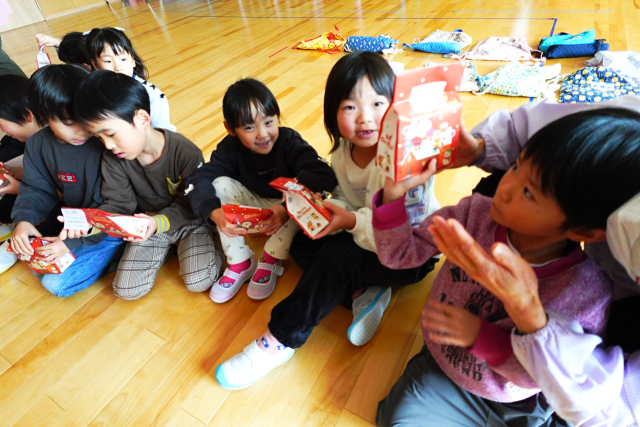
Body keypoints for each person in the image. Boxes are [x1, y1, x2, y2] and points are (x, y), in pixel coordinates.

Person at [371, 109, 640, 426]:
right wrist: (393, 197)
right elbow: (401, 253)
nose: (506, 187)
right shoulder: (473, 215)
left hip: (520, 400)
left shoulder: (587, 294)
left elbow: (547, 374)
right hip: (444, 367)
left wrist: (483, 337)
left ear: (583, 232)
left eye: (528, 192)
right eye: (515, 166)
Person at [214, 51, 440, 390]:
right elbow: (347, 199)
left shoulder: (403, 162)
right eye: (350, 107)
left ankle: (279, 340)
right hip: (365, 236)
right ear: (333, 112)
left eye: (378, 104)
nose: (365, 118)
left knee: (337, 258)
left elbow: (395, 234)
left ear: (396, 108)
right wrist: (327, 210)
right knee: (303, 243)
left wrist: (348, 221)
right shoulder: (341, 154)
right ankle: (364, 291)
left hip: (408, 253)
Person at [65, 70, 223, 300]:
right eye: (99, 137)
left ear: (142, 119)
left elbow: (193, 203)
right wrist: (91, 222)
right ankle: (168, 249)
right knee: (127, 290)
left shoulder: (185, 152)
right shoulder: (113, 158)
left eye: (110, 134)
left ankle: (212, 241)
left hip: (189, 221)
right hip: (146, 224)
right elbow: (119, 204)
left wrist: (158, 222)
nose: (107, 145)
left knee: (199, 281)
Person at [185, 77, 337, 303]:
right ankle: (240, 262)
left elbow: (323, 175)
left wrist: (285, 209)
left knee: (309, 191)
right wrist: (214, 213)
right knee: (218, 184)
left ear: (277, 117)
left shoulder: (288, 141)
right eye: (249, 127)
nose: (262, 134)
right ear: (230, 129)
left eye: (268, 122)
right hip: (255, 210)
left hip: (287, 209)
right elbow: (198, 179)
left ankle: (271, 256)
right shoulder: (230, 149)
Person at [10, 64, 124, 297]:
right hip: (74, 225)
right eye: (70, 123)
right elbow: (35, 187)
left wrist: (70, 244)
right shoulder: (38, 144)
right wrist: (23, 219)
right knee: (36, 262)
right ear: (44, 116)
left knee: (56, 285)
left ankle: (121, 252)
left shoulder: (106, 143)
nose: (81, 131)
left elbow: (117, 205)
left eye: (85, 120)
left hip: (111, 226)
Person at [85, 27, 175, 131]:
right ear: (95, 65)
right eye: (108, 61)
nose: (118, 67)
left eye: (123, 59)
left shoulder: (152, 95)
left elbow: (163, 132)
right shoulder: (95, 92)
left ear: (133, 60)